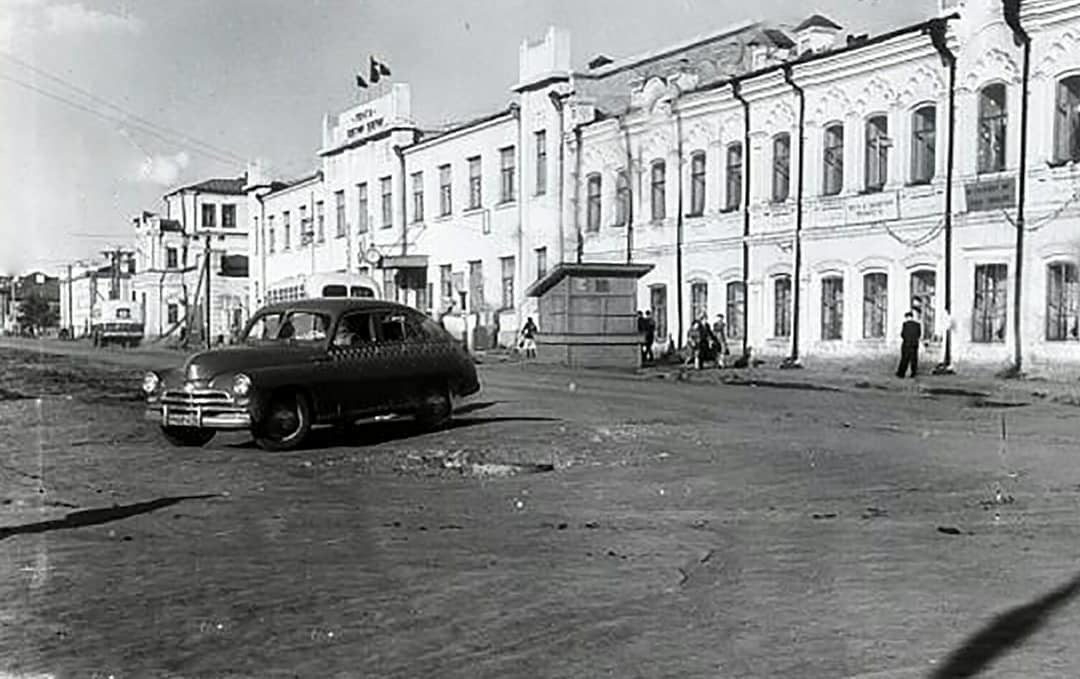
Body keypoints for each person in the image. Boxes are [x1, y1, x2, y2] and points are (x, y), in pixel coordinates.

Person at [897, 310, 922, 378]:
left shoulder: (905, 324)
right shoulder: (917, 325)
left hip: (906, 344)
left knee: (904, 359)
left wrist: (906, 338)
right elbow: (919, 335)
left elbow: (902, 334)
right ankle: (913, 373)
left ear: (907, 317)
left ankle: (901, 373)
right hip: (914, 344)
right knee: (914, 359)